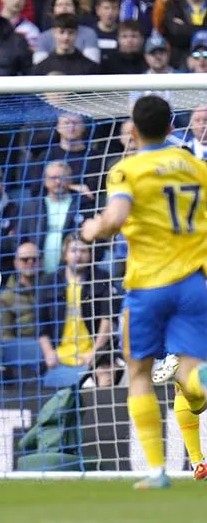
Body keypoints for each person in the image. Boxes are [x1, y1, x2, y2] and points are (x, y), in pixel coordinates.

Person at [80, 95, 207, 490]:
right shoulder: (196, 166)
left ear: (132, 131)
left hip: (148, 285)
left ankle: (156, 471)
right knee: (190, 371)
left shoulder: (127, 170)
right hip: (194, 283)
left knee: (138, 373)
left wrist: (92, 229)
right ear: (172, 128)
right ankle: (201, 381)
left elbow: (115, 219)